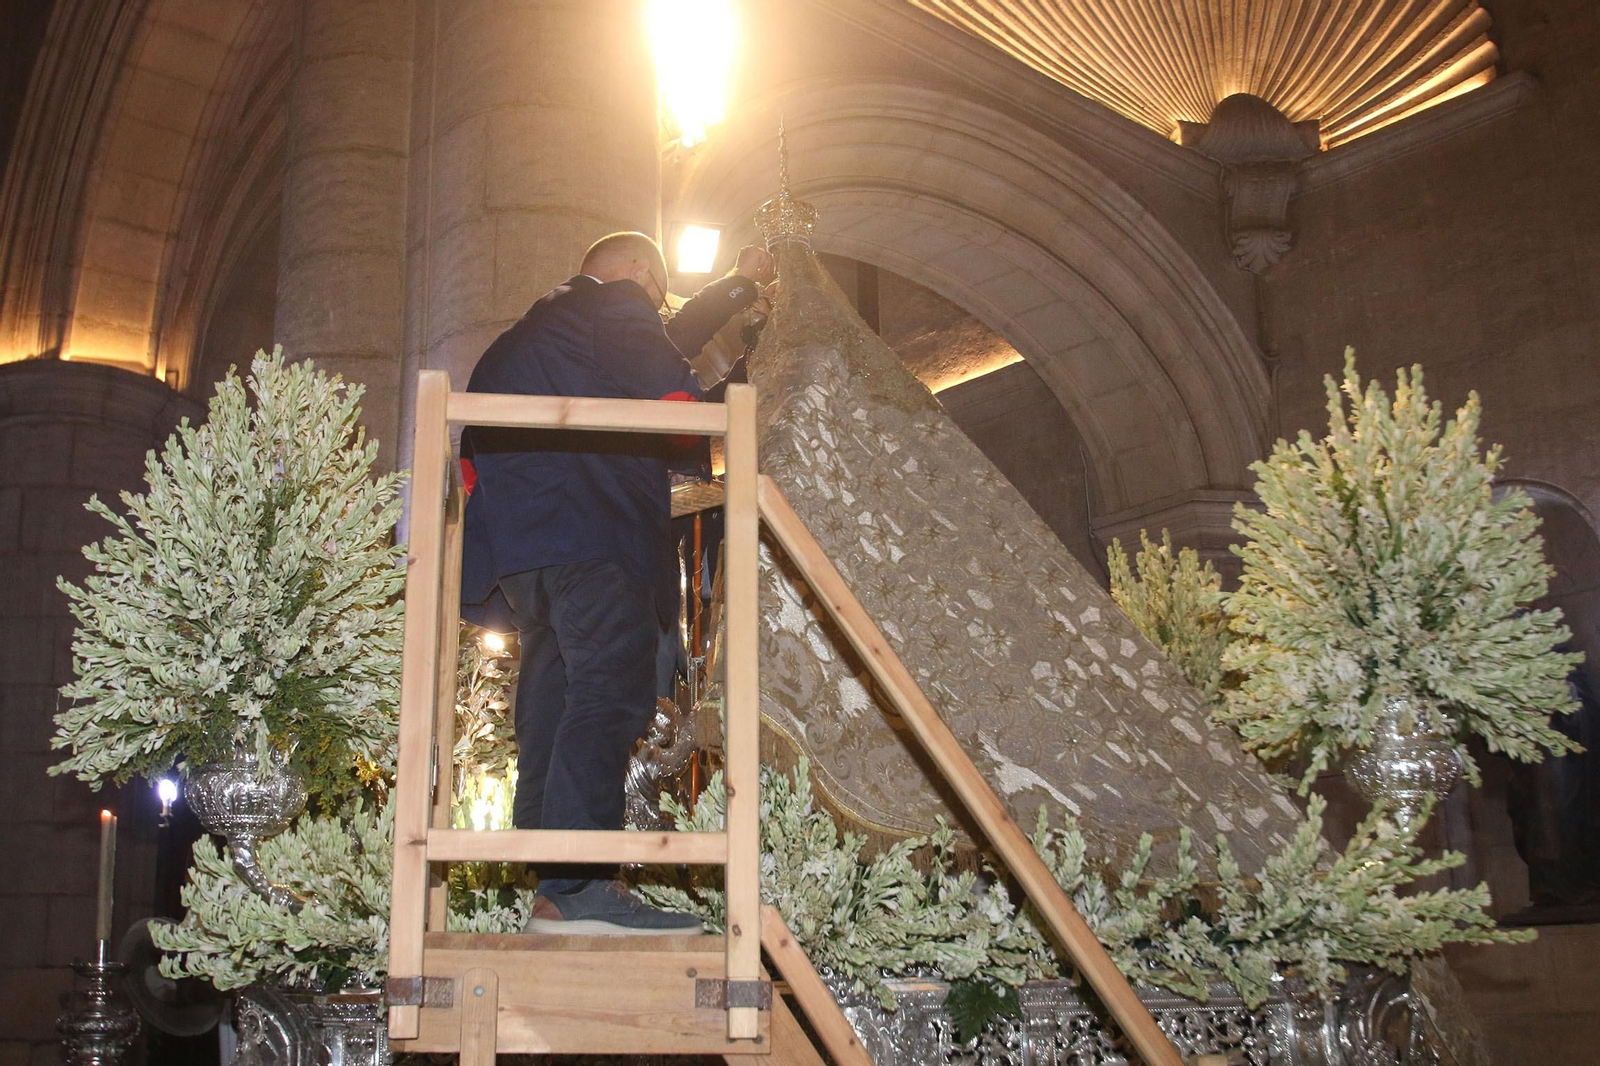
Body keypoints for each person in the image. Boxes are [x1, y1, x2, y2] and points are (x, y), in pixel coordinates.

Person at [459, 231, 773, 935]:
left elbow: (472, 467)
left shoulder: (516, 344)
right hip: (598, 536)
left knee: (552, 701)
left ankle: (550, 880)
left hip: (526, 558)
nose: (658, 311)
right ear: (634, 273)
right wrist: (736, 393)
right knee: (609, 694)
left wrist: (734, 287)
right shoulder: (617, 306)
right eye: (657, 295)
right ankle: (578, 887)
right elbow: (668, 386)